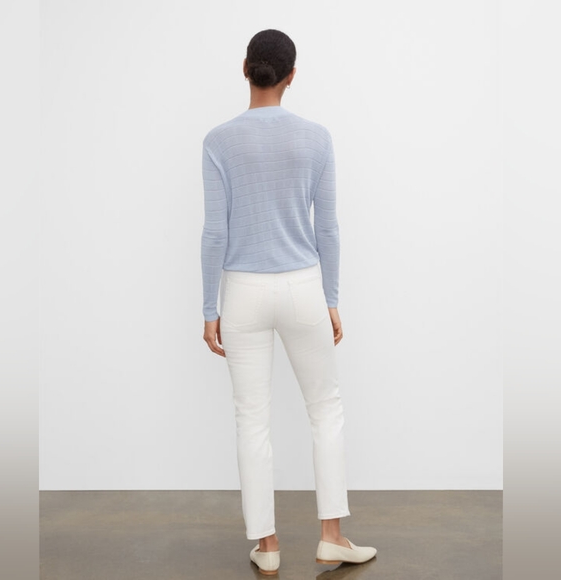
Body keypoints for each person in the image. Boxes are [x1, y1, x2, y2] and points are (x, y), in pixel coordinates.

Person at [200, 29, 377, 575]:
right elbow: (328, 229)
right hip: (303, 287)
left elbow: (214, 232)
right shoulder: (316, 138)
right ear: (292, 76)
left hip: (242, 292)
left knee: (251, 419)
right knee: (325, 409)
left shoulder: (218, 141)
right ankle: (332, 537)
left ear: (245, 68)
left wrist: (209, 309)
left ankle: (269, 546)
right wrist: (332, 297)